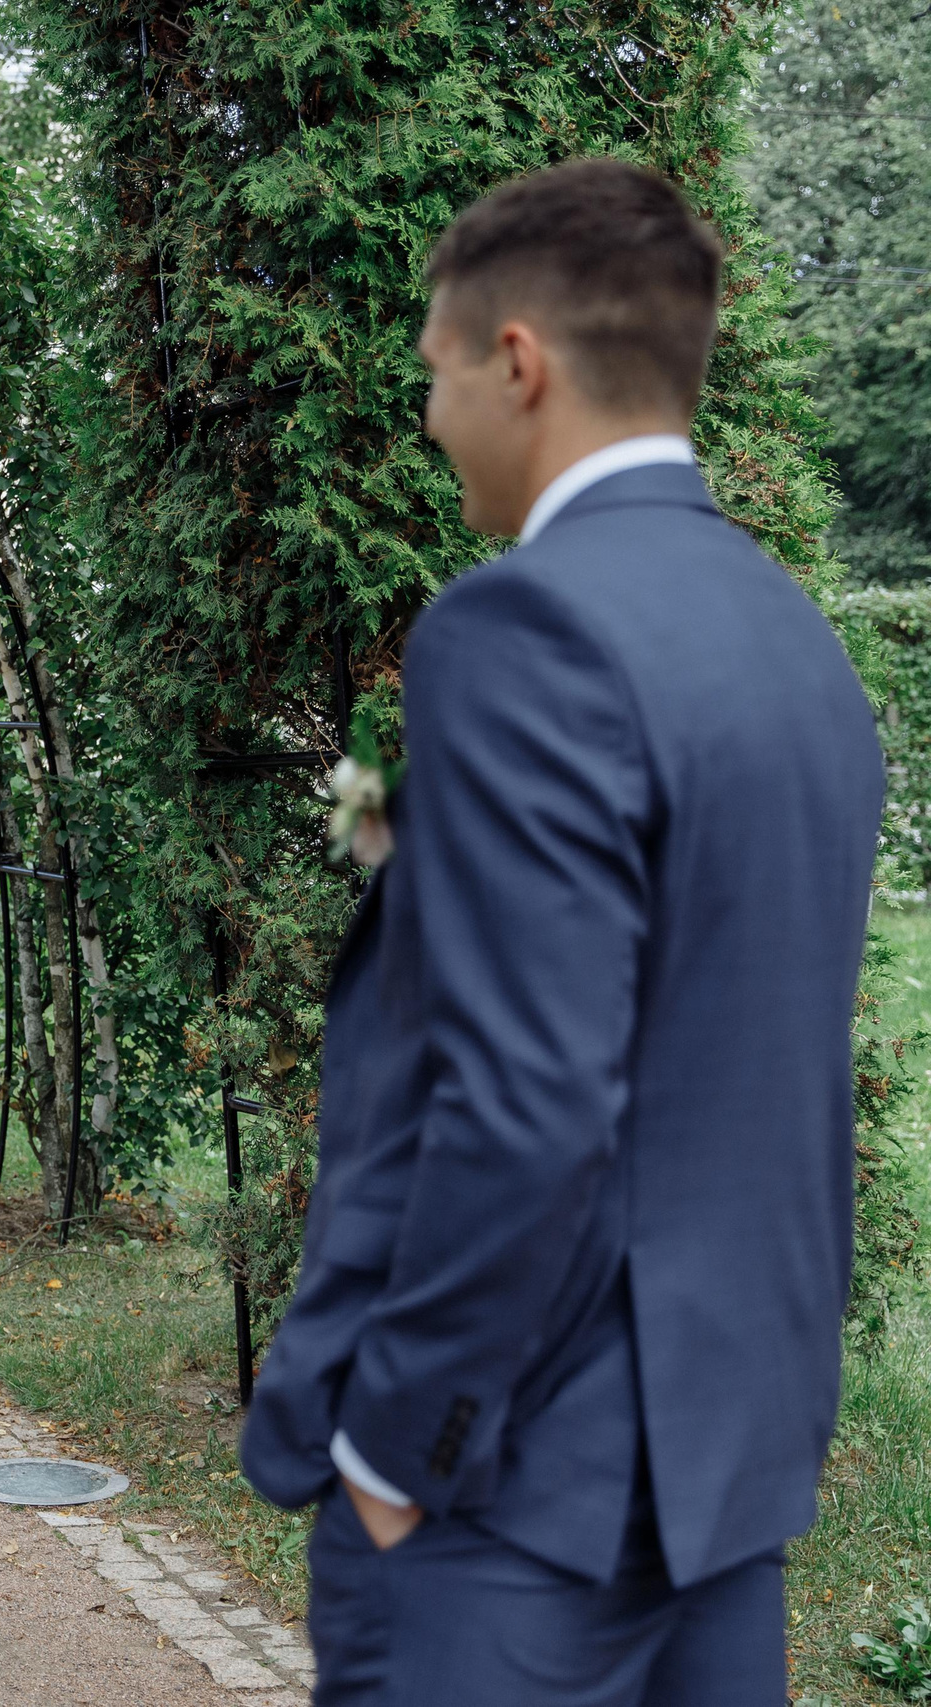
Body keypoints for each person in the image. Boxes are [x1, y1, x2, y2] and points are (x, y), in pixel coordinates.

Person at [239, 159, 883, 1701]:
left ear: (517, 361)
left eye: (437, 369)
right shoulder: (797, 640)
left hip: (513, 1496)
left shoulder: (520, 627)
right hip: (722, 1483)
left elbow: (530, 1099)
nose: (430, 414)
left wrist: (398, 1447)